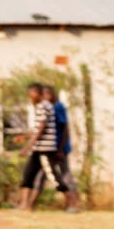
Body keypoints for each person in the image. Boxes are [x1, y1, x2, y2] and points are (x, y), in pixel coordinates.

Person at [17, 82, 58, 211]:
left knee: (57, 177)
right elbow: (38, 129)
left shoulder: (43, 106)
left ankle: (72, 202)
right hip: (39, 147)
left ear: (37, 93)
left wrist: (27, 147)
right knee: (28, 175)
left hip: (45, 148)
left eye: (31, 94)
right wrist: (25, 137)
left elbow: (41, 128)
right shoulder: (44, 106)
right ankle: (25, 205)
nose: (30, 96)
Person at [41, 84, 81, 213]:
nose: (44, 97)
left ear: (51, 94)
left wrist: (60, 149)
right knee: (57, 175)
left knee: (65, 175)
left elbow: (65, 128)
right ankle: (70, 202)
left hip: (59, 148)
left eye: (45, 94)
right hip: (52, 147)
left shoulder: (58, 107)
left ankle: (75, 204)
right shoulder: (50, 108)